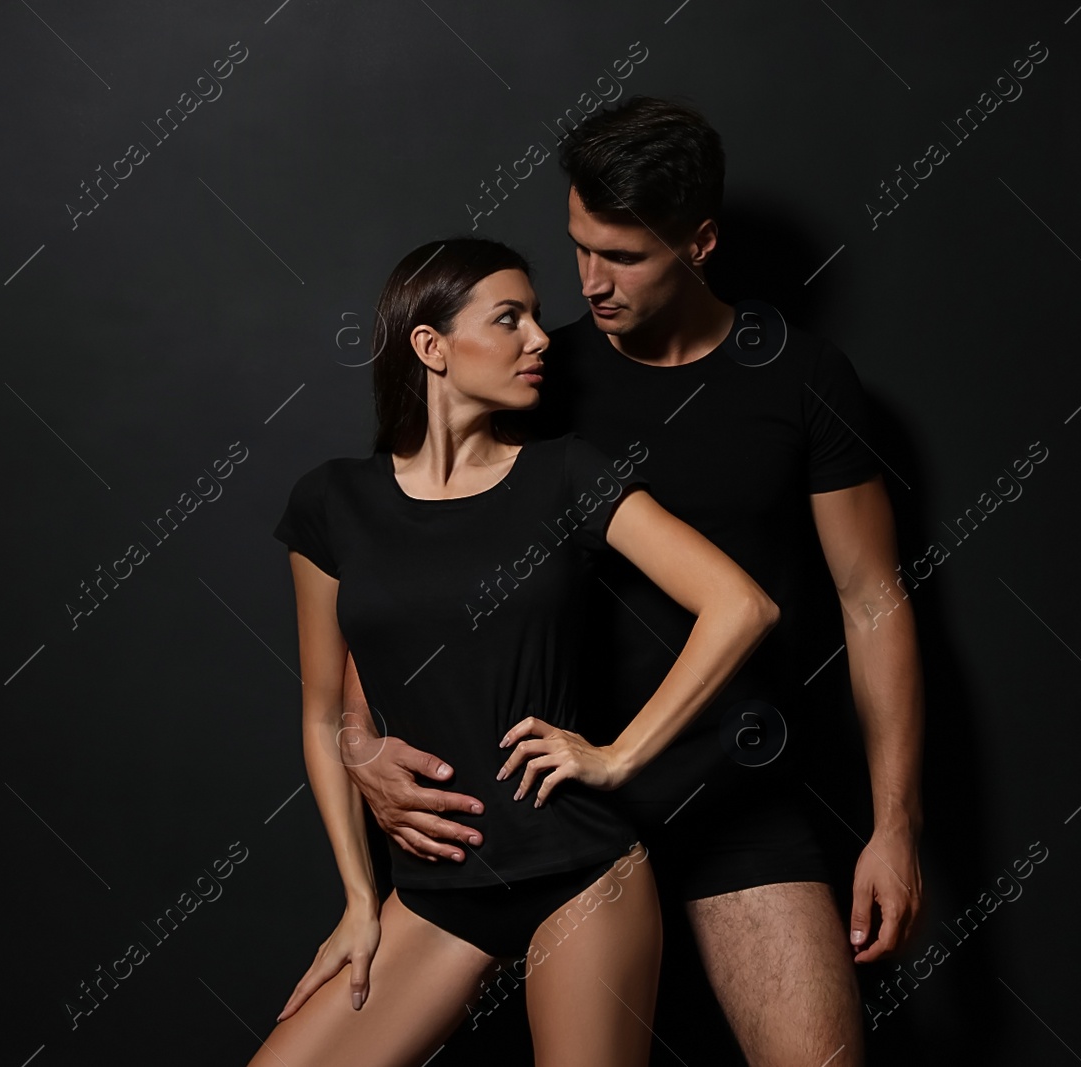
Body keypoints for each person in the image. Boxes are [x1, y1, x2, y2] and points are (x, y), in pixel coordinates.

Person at [332, 98, 927, 1066]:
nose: (591, 282)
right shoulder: (532, 377)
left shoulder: (802, 378)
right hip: (542, 811)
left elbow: (873, 597)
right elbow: (403, 552)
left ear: (699, 241)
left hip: (734, 799)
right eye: (578, 247)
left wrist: (895, 826)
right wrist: (361, 738)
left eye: (624, 256)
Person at [249, 237, 783, 1067]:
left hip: (580, 873)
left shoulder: (567, 473)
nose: (541, 337)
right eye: (510, 318)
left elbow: (741, 603)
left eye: (536, 316)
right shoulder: (332, 503)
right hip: (434, 893)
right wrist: (360, 898)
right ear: (431, 346)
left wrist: (616, 756)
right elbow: (324, 712)